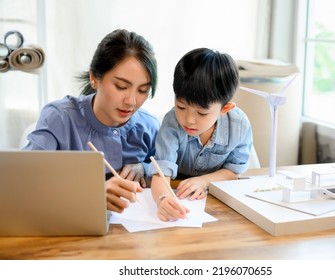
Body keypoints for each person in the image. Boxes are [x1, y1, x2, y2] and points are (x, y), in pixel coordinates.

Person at [23, 29, 160, 213]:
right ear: (94, 77)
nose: (131, 101)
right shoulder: (60, 118)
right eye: (121, 87)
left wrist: (143, 167)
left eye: (142, 90)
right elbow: (25, 180)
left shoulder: (149, 127)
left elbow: (167, 164)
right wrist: (90, 194)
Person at [148, 48, 253, 221]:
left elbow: (234, 172)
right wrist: (163, 200)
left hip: (216, 205)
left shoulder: (238, 125)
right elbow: (161, 172)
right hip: (175, 190)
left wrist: (204, 181)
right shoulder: (172, 123)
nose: (189, 120)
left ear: (225, 109)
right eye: (181, 107)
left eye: (202, 113)